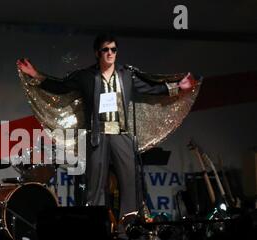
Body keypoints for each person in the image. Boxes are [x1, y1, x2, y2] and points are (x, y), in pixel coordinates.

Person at [17, 33, 193, 224]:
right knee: (95, 186)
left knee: (130, 185)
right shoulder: (86, 76)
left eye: (113, 49)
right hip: (98, 137)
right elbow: (61, 86)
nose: (110, 53)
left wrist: (177, 87)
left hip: (121, 135)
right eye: (106, 50)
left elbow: (151, 88)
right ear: (97, 53)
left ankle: (128, 230)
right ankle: (98, 230)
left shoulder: (126, 74)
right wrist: (35, 74)